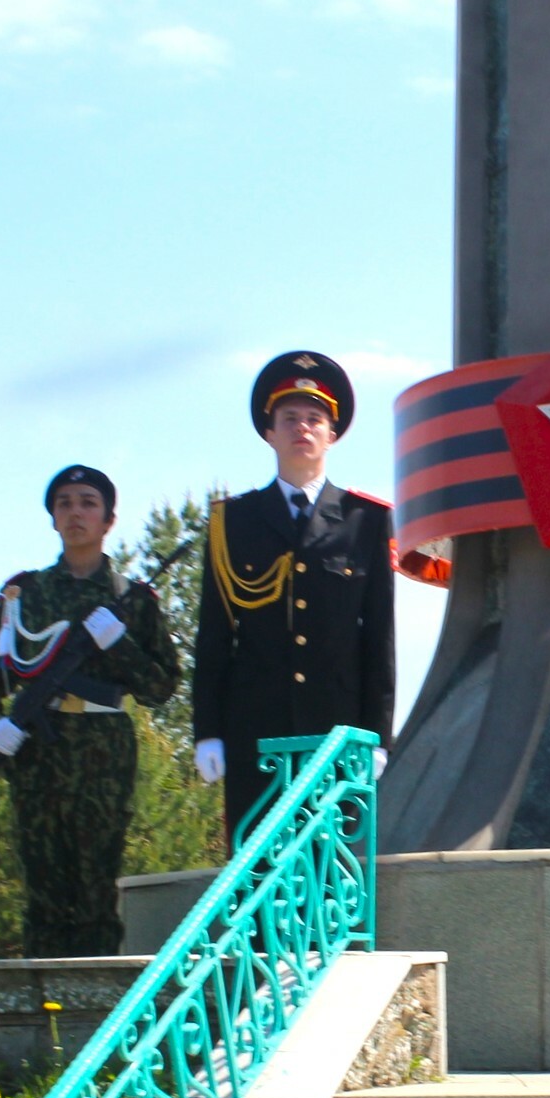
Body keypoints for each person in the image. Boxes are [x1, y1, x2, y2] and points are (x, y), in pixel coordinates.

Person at [0, 464, 184, 957]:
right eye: (64, 503)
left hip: (104, 751)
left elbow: (162, 687)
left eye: (88, 503)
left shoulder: (131, 599)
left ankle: (94, 992)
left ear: (108, 520)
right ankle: (44, 995)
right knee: (43, 888)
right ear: (52, 519)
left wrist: (120, 645)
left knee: (96, 887)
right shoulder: (24, 594)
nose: (75, 513)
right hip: (36, 749)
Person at [192, 352, 395, 838]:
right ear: (269, 432)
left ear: (332, 434)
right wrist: (208, 732)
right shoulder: (232, 522)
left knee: (332, 869)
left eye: (314, 419)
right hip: (254, 735)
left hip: (337, 735)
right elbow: (214, 637)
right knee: (257, 867)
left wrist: (379, 736)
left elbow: (378, 640)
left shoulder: (365, 520)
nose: (302, 427)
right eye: (289, 418)